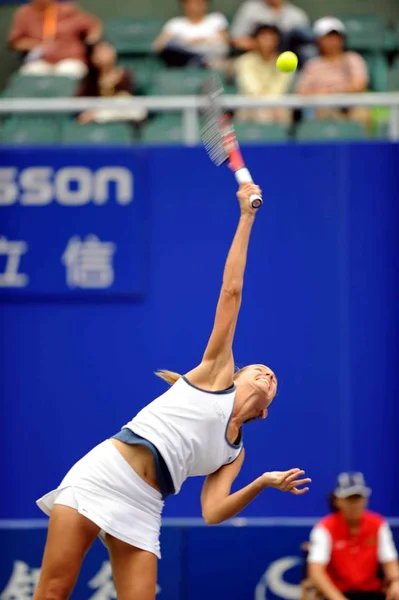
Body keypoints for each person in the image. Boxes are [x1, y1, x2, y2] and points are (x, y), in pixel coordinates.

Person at [33, 182, 311, 600]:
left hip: (145, 505)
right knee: (54, 590)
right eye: (259, 369)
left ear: (266, 410)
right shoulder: (215, 374)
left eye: (273, 380)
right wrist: (246, 216)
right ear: (235, 374)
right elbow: (231, 291)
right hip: (102, 475)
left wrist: (262, 483)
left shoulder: (234, 453)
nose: (267, 374)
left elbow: (213, 512)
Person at [308, 472, 399, 600]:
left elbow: (389, 561)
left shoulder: (378, 524)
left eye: (358, 498)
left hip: (372, 593)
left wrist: (396, 581)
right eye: (349, 499)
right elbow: (316, 572)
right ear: (337, 501)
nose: (354, 504)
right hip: (337, 594)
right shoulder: (324, 528)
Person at [295, 17, 369, 123]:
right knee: (324, 112)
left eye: (336, 37)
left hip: (349, 107)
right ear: (318, 40)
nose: (332, 41)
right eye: (327, 37)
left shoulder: (353, 58)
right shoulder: (312, 65)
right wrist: (324, 97)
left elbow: (359, 84)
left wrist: (333, 92)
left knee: (361, 112)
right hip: (323, 109)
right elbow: (302, 92)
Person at [8, 0, 101, 78]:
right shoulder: (24, 13)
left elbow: (93, 27)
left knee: (68, 72)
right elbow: (16, 42)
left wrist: (91, 43)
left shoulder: (68, 10)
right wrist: (37, 45)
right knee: (30, 74)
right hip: (40, 61)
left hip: (69, 59)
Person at [76, 41, 147, 125]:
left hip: (125, 113)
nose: (106, 54)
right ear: (93, 58)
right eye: (101, 52)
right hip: (101, 116)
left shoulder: (128, 76)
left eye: (107, 49)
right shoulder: (89, 81)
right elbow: (80, 107)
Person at [235, 24, 293, 123]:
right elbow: (251, 88)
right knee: (261, 110)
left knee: (278, 109)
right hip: (251, 107)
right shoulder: (244, 61)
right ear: (255, 40)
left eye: (271, 38)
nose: (267, 42)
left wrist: (268, 102)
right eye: (264, 38)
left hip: (276, 107)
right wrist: (261, 100)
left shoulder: (286, 62)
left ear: (277, 41)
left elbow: (280, 89)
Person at [153, 0, 229, 68]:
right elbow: (159, 45)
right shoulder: (175, 23)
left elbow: (226, 42)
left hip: (212, 59)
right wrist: (185, 43)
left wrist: (202, 41)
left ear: (205, 4)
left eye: (198, 3)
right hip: (183, 59)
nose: (194, 7)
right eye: (190, 3)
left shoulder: (216, 19)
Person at [230, 0, 311, 63]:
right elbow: (236, 39)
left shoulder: (297, 15)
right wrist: (264, 45)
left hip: (288, 58)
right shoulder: (250, 8)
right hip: (256, 58)